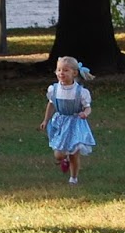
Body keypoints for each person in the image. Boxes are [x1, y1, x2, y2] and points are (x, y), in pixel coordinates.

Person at [39, 56, 96, 184]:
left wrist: (84, 114)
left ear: (74, 73)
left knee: (74, 153)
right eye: (59, 70)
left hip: (75, 123)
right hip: (59, 122)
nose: (61, 73)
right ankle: (63, 160)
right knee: (59, 154)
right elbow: (51, 104)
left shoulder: (80, 92)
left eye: (65, 70)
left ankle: (73, 178)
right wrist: (45, 120)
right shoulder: (54, 89)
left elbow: (88, 107)